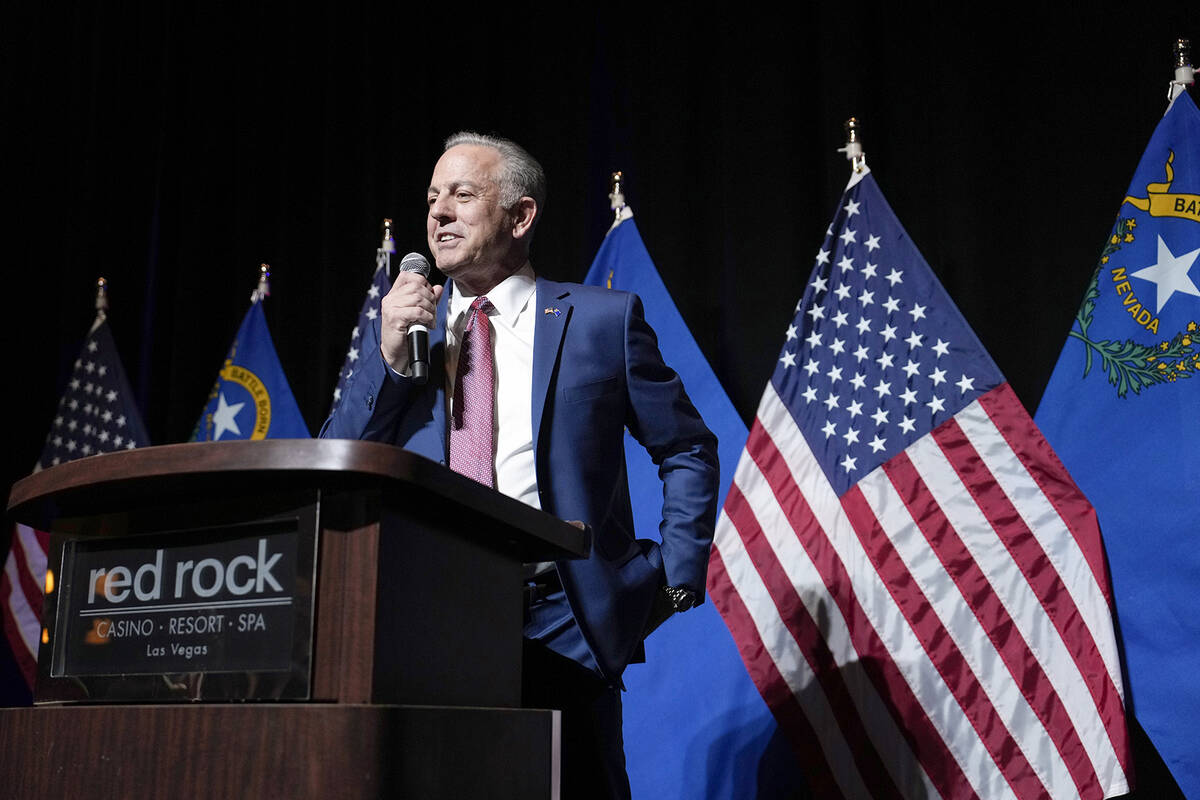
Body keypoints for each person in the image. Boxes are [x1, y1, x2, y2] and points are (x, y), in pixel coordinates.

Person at [321, 131, 719, 798]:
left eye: (462, 195)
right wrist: (387, 355)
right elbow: (344, 454)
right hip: (430, 616)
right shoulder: (402, 330)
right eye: (432, 198)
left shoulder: (601, 320)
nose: (439, 213)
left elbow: (685, 446)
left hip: (564, 614)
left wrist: (671, 571)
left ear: (521, 216)